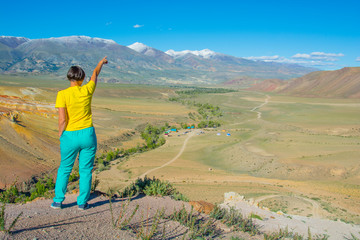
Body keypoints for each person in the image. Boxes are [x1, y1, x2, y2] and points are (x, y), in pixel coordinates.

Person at [51, 57, 108, 210]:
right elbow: (95, 75)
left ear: (69, 77)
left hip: (69, 135)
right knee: (85, 170)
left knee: (64, 168)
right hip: (87, 134)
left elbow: (62, 119)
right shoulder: (87, 89)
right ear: (82, 78)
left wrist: (60, 134)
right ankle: (82, 203)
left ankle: (58, 201)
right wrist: (100, 62)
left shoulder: (62, 94)